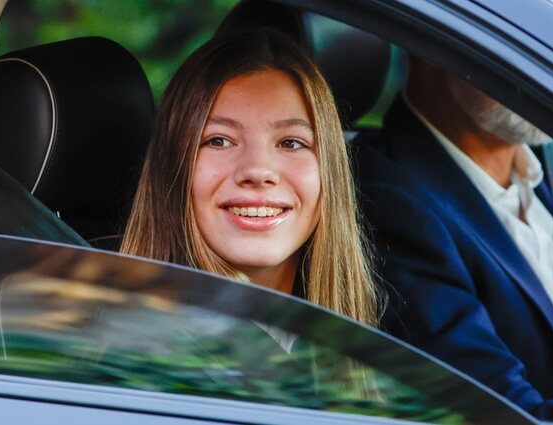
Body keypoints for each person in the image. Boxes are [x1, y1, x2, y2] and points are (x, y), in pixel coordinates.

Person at [354, 57, 553, 421]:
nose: (551, 69)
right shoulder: (387, 202)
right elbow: (503, 414)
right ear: (428, 54)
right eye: (525, 55)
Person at [121, 29, 381, 326]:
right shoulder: (136, 347)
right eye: (218, 140)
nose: (258, 171)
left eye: (291, 143)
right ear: (172, 167)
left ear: (329, 173)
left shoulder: (348, 344)